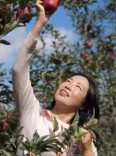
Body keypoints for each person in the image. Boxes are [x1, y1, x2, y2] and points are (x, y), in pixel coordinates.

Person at [12, 0, 100, 156]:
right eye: (68, 81)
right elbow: (19, 70)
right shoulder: (32, 112)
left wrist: (86, 148)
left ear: (83, 105)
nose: (68, 85)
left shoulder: (81, 138)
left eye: (77, 87)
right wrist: (40, 23)